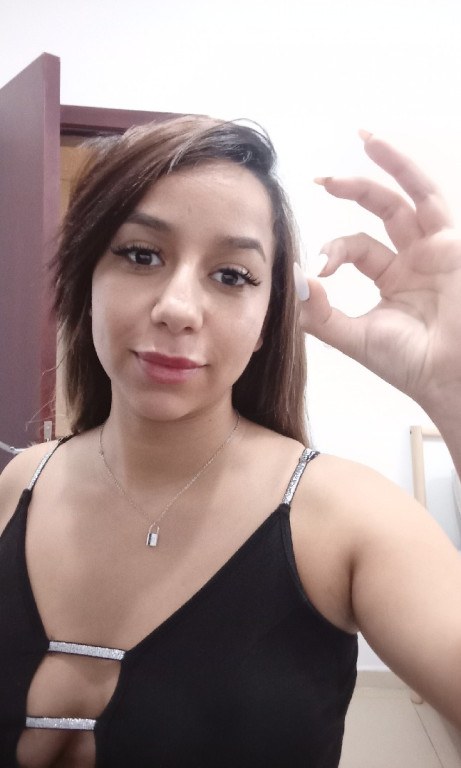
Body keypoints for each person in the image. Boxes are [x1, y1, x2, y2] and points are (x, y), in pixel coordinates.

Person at [0, 116, 460, 768]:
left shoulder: (347, 518)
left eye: (232, 275)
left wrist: (454, 392)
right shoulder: (21, 484)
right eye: (141, 255)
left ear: (268, 318)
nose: (177, 308)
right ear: (86, 279)